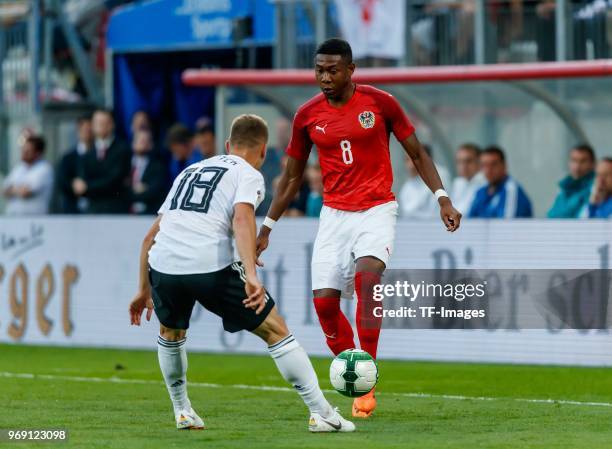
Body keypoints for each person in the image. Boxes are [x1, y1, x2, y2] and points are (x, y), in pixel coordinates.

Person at [255, 38, 461, 418]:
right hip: (333, 216)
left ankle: (366, 370)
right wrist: (267, 226)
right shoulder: (306, 116)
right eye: (319, 70)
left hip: (377, 208)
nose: (325, 77)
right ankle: (355, 373)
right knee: (324, 305)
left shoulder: (380, 103)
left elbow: (416, 153)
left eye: (333, 70)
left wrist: (442, 198)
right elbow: (291, 177)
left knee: (368, 279)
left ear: (351, 70)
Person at [128, 114, 355, 433]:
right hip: (208, 264)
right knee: (276, 330)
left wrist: (142, 288)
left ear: (226, 145)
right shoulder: (248, 173)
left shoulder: (189, 170)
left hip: (163, 263)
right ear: (263, 150)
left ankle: (182, 410)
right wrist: (251, 273)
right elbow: (242, 219)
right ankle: (322, 413)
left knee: (171, 334)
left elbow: (150, 235)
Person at [73, 109, 131, 214]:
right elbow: (82, 180)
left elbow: (115, 179)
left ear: (111, 125)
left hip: (116, 210)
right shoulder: (88, 152)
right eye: (97, 123)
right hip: (93, 210)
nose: (99, 126)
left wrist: (88, 187)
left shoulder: (122, 149)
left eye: (103, 123)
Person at [469, 146, 533, 218]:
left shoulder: (511, 190)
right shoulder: (481, 191)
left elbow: (506, 225)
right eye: (484, 165)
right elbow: (471, 221)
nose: (488, 170)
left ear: (504, 166)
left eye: (493, 165)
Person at [3, 135, 53, 215]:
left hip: (34, 222)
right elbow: (4, 191)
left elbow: (25, 193)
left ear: (38, 153)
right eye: (23, 149)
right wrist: (19, 189)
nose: (24, 153)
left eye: (28, 151)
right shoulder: (19, 167)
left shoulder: (44, 169)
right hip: (13, 219)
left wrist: (13, 189)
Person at [399, 145, 451, 218]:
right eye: (407, 159)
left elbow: (436, 214)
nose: (410, 166)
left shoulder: (440, 176)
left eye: (413, 159)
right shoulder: (407, 186)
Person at [56, 116, 94, 214]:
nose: (87, 133)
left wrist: (87, 186)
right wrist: (73, 185)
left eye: (90, 130)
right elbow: (62, 179)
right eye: (84, 129)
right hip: (72, 207)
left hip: (94, 207)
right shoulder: (68, 157)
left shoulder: (98, 154)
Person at [547, 144, 596, 218]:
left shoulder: (595, 188)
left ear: (593, 164)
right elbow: (551, 215)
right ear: (569, 163)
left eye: (583, 161)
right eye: (574, 160)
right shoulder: (563, 189)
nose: (577, 166)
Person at [130, 129, 168, 214]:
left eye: (146, 141)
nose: (143, 143)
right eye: (140, 140)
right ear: (133, 143)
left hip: (148, 213)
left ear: (151, 144)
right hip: (124, 213)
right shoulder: (125, 164)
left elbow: (155, 191)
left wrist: (130, 192)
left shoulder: (158, 166)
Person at [451, 143, 486, 216]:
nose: (463, 166)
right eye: (459, 161)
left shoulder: (486, 183)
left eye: (468, 161)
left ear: (480, 162)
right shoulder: (458, 183)